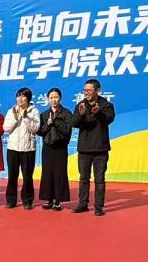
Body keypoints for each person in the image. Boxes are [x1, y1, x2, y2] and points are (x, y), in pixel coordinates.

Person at [71, 78, 116, 216]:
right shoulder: (81, 105)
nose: (86, 93)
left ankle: (98, 206)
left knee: (99, 179)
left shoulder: (106, 105)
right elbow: (73, 123)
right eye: (85, 90)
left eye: (89, 90)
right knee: (84, 178)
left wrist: (98, 112)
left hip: (100, 148)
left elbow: (108, 119)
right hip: (84, 148)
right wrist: (81, 115)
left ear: (97, 90)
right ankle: (82, 204)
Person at [3, 87, 41, 210]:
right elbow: (6, 128)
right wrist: (15, 118)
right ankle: (11, 201)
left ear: (28, 98)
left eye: (23, 96)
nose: (20, 99)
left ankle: (27, 201)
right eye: (18, 96)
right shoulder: (11, 111)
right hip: (13, 148)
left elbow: (35, 128)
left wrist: (26, 118)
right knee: (12, 176)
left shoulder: (34, 111)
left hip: (28, 149)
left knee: (27, 176)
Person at [37, 87, 73, 210]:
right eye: (51, 98)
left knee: (60, 173)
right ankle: (49, 200)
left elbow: (67, 130)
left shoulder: (66, 113)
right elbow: (39, 131)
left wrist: (55, 122)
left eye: (56, 97)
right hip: (47, 147)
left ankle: (58, 201)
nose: (54, 100)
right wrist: (48, 124)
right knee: (47, 173)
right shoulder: (44, 114)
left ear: (60, 98)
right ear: (48, 99)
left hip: (60, 147)